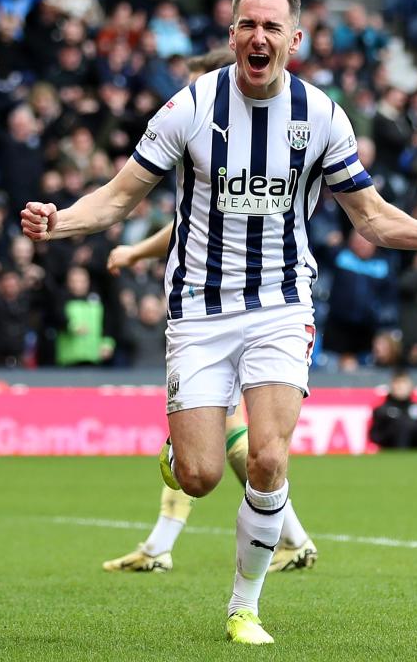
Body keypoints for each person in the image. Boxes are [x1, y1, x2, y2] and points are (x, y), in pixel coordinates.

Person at [21, 0, 417, 646]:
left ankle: (244, 607)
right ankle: (181, 455)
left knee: (268, 457)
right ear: (232, 34)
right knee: (201, 475)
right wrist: (58, 221)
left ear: (295, 40)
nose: (257, 37)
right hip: (200, 312)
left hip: (280, 304)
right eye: (246, 25)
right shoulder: (189, 106)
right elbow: (120, 198)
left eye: (271, 26)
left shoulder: (321, 114)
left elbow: (373, 219)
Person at [102, 48, 316, 576]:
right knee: (218, 448)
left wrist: (131, 251)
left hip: (267, 305)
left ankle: (166, 546)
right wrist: (132, 251)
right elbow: (186, 225)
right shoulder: (196, 128)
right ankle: (290, 537)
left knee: (236, 443)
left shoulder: (273, 129)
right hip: (205, 310)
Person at [368, 371, 417, 450]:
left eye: (403, 383)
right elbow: (375, 437)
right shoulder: (382, 410)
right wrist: (395, 428)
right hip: (392, 452)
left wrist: (413, 427)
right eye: (397, 383)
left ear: (411, 386)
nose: (400, 387)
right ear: (391, 386)